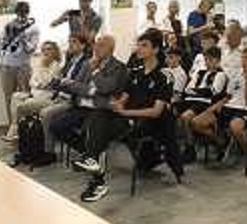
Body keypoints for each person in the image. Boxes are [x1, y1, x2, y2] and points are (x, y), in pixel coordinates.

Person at [74, 31, 183, 202]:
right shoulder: (135, 71)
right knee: (99, 116)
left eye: (144, 45)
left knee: (100, 129)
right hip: (130, 117)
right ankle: (94, 166)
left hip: (151, 122)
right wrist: (116, 105)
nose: (139, 49)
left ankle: (96, 175)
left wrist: (125, 112)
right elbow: (125, 97)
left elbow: (156, 111)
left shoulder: (164, 75)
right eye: (138, 45)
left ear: (155, 49)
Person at [47, 34, 128, 195]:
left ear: (111, 49)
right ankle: (86, 151)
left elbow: (107, 87)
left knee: (92, 128)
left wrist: (95, 72)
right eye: (96, 44)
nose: (96, 48)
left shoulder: (118, 67)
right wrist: (91, 91)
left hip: (100, 110)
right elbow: (75, 85)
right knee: (56, 125)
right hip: (82, 106)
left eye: (101, 45)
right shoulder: (86, 63)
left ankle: (93, 162)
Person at [191, 44, 247, 171]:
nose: (244, 61)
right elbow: (229, 95)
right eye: (244, 57)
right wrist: (214, 107)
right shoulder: (237, 73)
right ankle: (221, 142)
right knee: (196, 122)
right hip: (231, 106)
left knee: (235, 127)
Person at [36, 34, 91, 156]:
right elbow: (60, 80)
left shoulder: (86, 62)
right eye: (69, 41)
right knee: (36, 109)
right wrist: (59, 83)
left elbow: (77, 85)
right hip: (59, 96)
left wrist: (63, 83)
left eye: (74, 42)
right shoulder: (70, 60)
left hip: (71, 100)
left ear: (83, 45)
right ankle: (37, 148)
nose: (70, 44)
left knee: (45, 114)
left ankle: (49, 152)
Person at [2, 41, 61, 142]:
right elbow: (32, 81)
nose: (45, 52)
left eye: (49, 49)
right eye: (43, 50)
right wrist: (38, 83)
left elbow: (47, 82)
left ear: (55, 51)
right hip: (34, 94)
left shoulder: (56, 66)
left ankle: (16, 132)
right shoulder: (40, 64)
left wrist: (41, 75)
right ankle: (16, 129)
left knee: (21, 106)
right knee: (15, 96)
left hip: (46, 98)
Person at [178, 46, 228, 163]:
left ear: (218, 60)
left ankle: (190, 149)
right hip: (190, 100)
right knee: (172, 111)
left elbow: (213, 92)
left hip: (204, 103)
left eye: (211, 59)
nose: (207, 62)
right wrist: (197, 91)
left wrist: (196, 91)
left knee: (185, 117)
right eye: (206, 59)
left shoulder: (220, 75)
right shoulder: (199, 72)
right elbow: (188, 88)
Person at [0, 1, 40, 126]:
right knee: (8, 98)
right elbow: (2, 43)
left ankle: (25, 127)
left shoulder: (33, 28)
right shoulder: (9, 25)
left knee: (24, 97)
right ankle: (12, 126)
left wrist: (23, 38)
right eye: (19, 14)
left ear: (28, 13)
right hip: (7, 66)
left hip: (23, 67)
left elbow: (31, 49)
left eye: (24, 14)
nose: (21, 17)